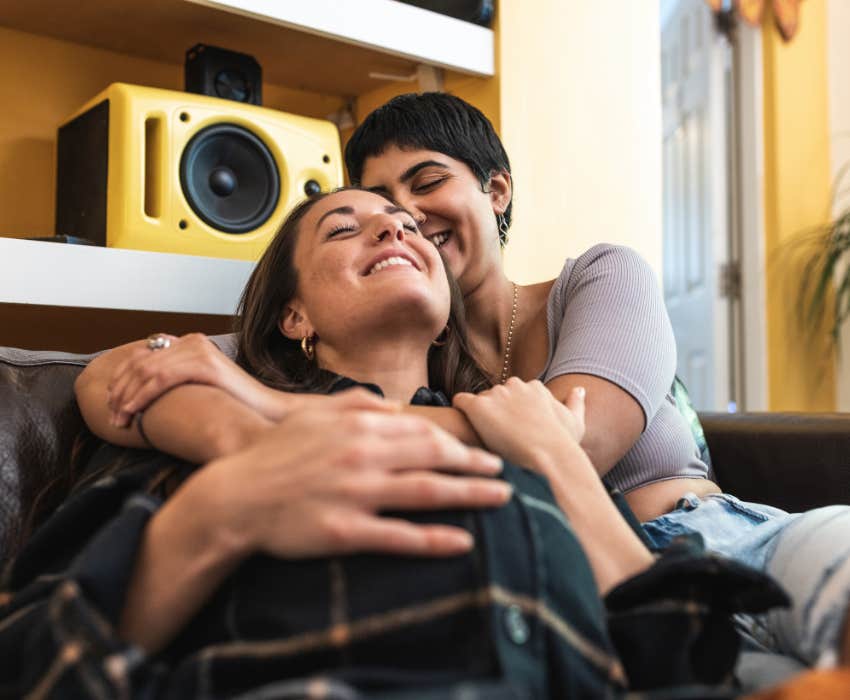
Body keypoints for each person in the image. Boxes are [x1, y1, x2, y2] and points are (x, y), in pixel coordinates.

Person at [97, 93, 850, 675]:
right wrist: (225, 400)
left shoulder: (595, 277)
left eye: (425, 184)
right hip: (589, 593)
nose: (405, 221)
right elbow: (137, 373)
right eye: (374, 205)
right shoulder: (399, 334)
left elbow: (575, 439)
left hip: (723, 541)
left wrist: (268, 412)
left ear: (495, 191)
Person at [3, 188, 714, 698]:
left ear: (444, 321)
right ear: (294, 315)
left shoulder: (527, 428)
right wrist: (222, 510)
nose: (395, 232)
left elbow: (679, 650)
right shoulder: (190, 416)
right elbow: (35, 658)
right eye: (345, 230)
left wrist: (561, 464)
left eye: (410, 226)